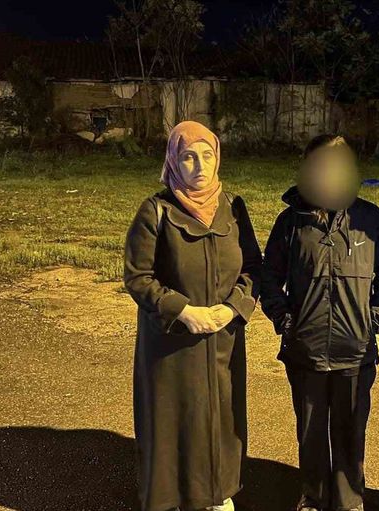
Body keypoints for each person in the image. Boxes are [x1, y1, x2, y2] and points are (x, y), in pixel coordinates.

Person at [123, 120, 262, 511]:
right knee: (175, 422)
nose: (199, 165)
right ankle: (172, 500)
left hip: (223, 339)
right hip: (172, 346)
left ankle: (217, 495)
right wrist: (182, 311)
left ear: (218, 158)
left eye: (207, 155)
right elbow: (138, 277)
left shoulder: (233, 208)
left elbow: (254, 267)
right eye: (188, 156)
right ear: (173, 161)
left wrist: (233, 307)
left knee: (221, 419)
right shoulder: (156, 211)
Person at [260, 134, 379, 511]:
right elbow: (269, 276)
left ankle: (349, 500)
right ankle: (313, 496)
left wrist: (376, 319)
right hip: (305, 349)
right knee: (311, 432)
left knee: (351, 432)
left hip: (355, 350)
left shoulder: (370, 219)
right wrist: (284, 319)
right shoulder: (291, 222)